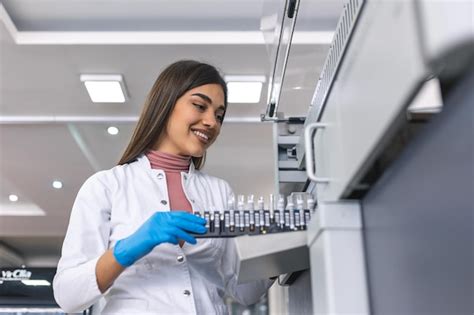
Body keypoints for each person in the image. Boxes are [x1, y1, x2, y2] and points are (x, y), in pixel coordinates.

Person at [53, 60, 274, 314]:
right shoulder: (106, 186)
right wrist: (128, 248)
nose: (211, 122)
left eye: (219, 115)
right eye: (200, 106)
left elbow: (244, 290)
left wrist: (286, 247)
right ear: (166, 103)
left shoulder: (220, 192)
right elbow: (68, 295)